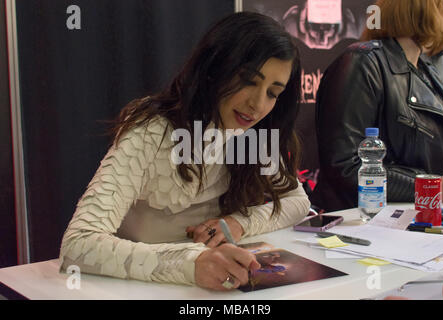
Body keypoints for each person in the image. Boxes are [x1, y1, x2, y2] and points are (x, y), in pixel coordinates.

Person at [58, 11, 310, 291]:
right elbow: (78, 245)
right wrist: (192, 263)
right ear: (216, 68)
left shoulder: (250, 136)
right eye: (249, 81)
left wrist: (240, 223)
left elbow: (297, 203)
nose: (257, 105)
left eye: (273, 93)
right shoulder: (151, 131)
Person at [310, 0, 443, 212]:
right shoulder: (364, 62)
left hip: (419, 220)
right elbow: (345, 166)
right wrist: (432, 188)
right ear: (430, 10)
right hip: (366, 226)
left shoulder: (429, 71)